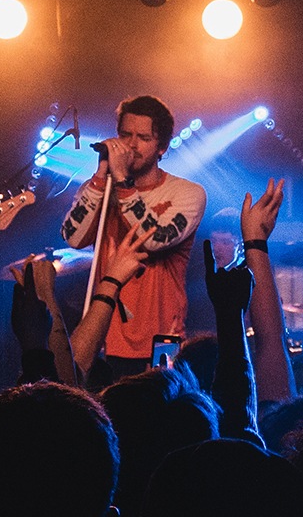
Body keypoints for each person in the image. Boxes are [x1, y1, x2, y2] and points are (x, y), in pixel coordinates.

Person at [60, 95, 206, 385]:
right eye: (126, 135)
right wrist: (101, 176)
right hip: (103, 340)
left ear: (162, 147)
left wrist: (123, 183)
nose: (132, 145)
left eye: (143, 138)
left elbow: (154, 240)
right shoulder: (100, 188)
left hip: (159, 345)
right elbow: (72, 237)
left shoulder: (187, 193)